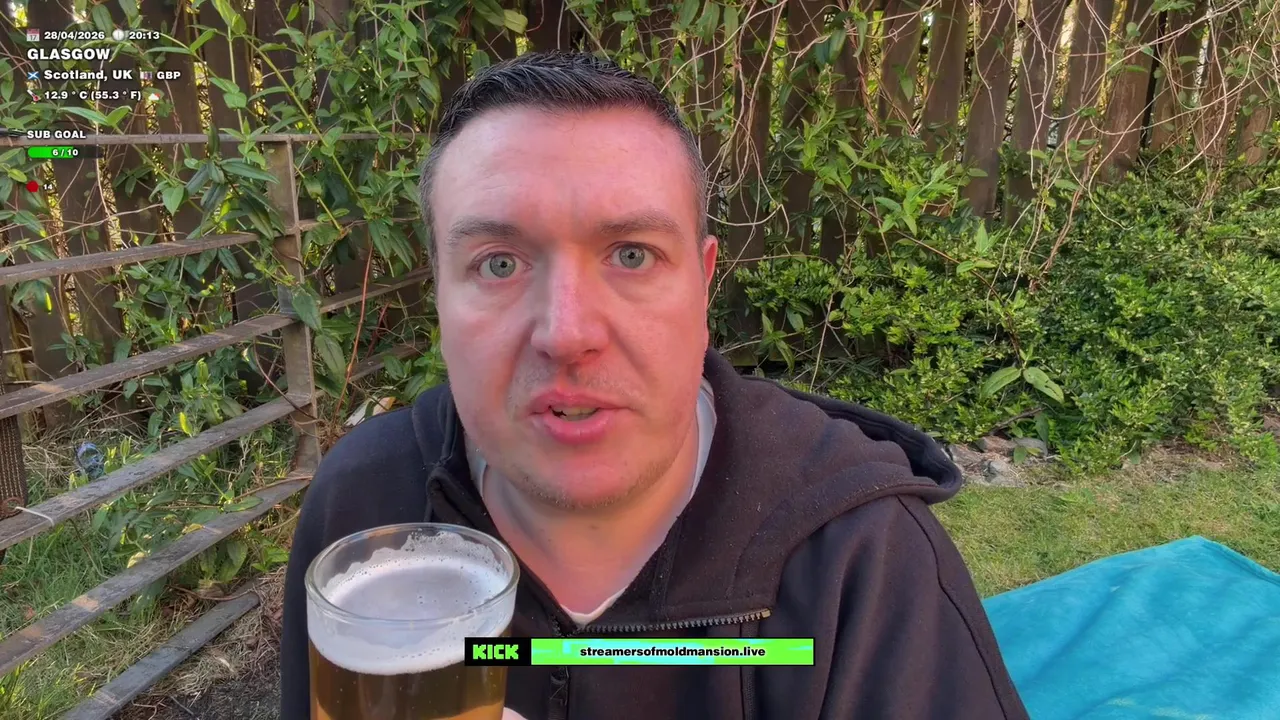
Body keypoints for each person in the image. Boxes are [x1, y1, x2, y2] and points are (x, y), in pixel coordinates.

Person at [279, 51, 1030, 720]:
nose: (567, 333)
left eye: (632, 255)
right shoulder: (363, 512)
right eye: (499, 264)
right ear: (439, 298)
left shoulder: (861, 557)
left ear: (703, 287)